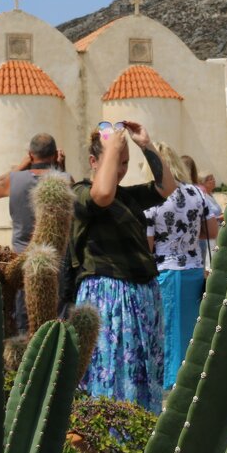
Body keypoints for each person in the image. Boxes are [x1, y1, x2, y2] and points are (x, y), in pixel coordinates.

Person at [67, 120, 174, 412]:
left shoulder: (128, 196)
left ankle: (138, 440)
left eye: (125, 163)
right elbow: (102, 195)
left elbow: (167, 188)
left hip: (142, 295)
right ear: (93, 161)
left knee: (142, 374)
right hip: (109, 296)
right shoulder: (79, 192)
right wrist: (112, 145)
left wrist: (146, 145)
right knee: (112, 375)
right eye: (116, 160)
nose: (121, 168)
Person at [145, 144, 216, 390]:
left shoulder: (153, 197)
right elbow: (212, 231)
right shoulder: (197, 193)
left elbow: (149, 242)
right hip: (194, 270)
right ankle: (192, 380)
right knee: (189, 330)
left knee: (167, 331)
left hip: (165, 270)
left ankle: (172, 383)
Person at [0, 133, 70, 329]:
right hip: (55, 261)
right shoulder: (64, 180)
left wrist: (20, 166)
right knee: (55, 320)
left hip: (22, 261)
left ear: (31, 155)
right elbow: (68, 192)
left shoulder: (15, 181)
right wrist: (61, 168)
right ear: (55, 155)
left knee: (24, 320)